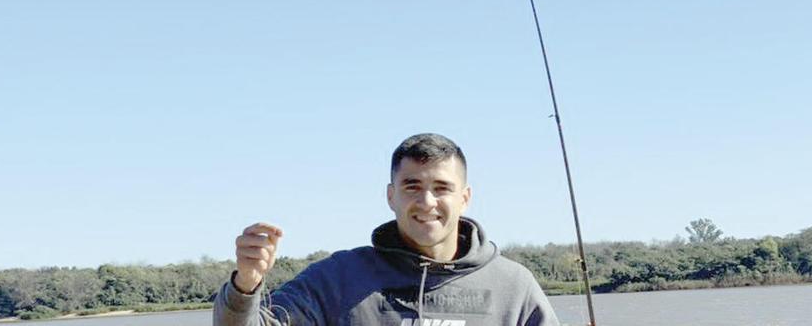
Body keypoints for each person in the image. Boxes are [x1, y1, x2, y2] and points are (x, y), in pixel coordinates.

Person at [213, 133, 561, 325]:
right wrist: (245, 284)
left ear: (465, 198)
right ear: (391, 196)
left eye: (441, 187)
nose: (426, 202)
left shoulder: (513, 287)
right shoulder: (339, 278)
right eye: (411, 186)